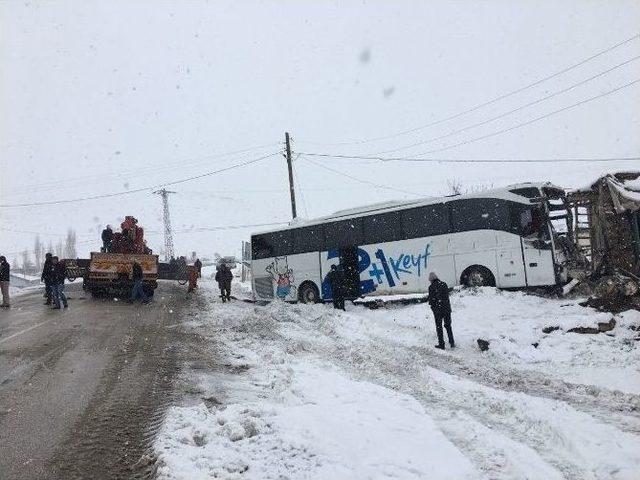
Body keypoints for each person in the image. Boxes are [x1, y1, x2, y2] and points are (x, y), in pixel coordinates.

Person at [426, 272, 454, 349]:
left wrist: (433, 308)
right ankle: (452, 342)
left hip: (438, 310)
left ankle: (441, 344)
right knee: (448, 326)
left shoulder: (431, 287)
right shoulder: (444, 284)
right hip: (447, 309)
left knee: (439, 327)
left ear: (431, 280)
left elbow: (431, 300)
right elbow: (446, 296)